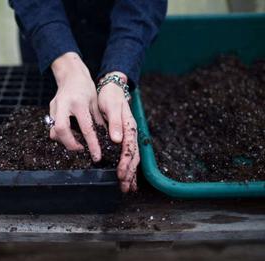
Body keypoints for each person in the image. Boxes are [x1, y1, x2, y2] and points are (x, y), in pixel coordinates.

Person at [9, 0, 167, 193]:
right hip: (47, 41)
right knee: (49, 118)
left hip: (111, 38)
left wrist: (116, 76)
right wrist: (66, 67)